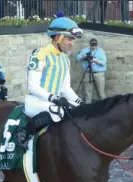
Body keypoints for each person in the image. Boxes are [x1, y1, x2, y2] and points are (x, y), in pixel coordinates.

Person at [16, 13, 84, 150]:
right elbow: (33, 86)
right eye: (70, 39)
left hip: (53, 101)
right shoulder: (40, 55)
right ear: (59, 37)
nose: (72, 44)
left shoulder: (65, 59)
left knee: (81, 112)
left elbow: (66, 88)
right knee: (59, 112)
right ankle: (23, 133)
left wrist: (80, 103)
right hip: (36, 102)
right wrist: (54, 98)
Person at [76, 38, 107, 104]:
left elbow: (103, 62)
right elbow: (78, 57)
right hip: (88, 73)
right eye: (92, 44)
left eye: (95, 44)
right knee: (88, 92)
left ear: (97, 44)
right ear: (90, 44)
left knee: (101, 92)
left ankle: (104, 107)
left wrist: (95, 60)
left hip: (98, 73)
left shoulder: (101, 51)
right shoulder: (85, 50)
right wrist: (83, 56)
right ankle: (88, 106)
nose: (93, 46)